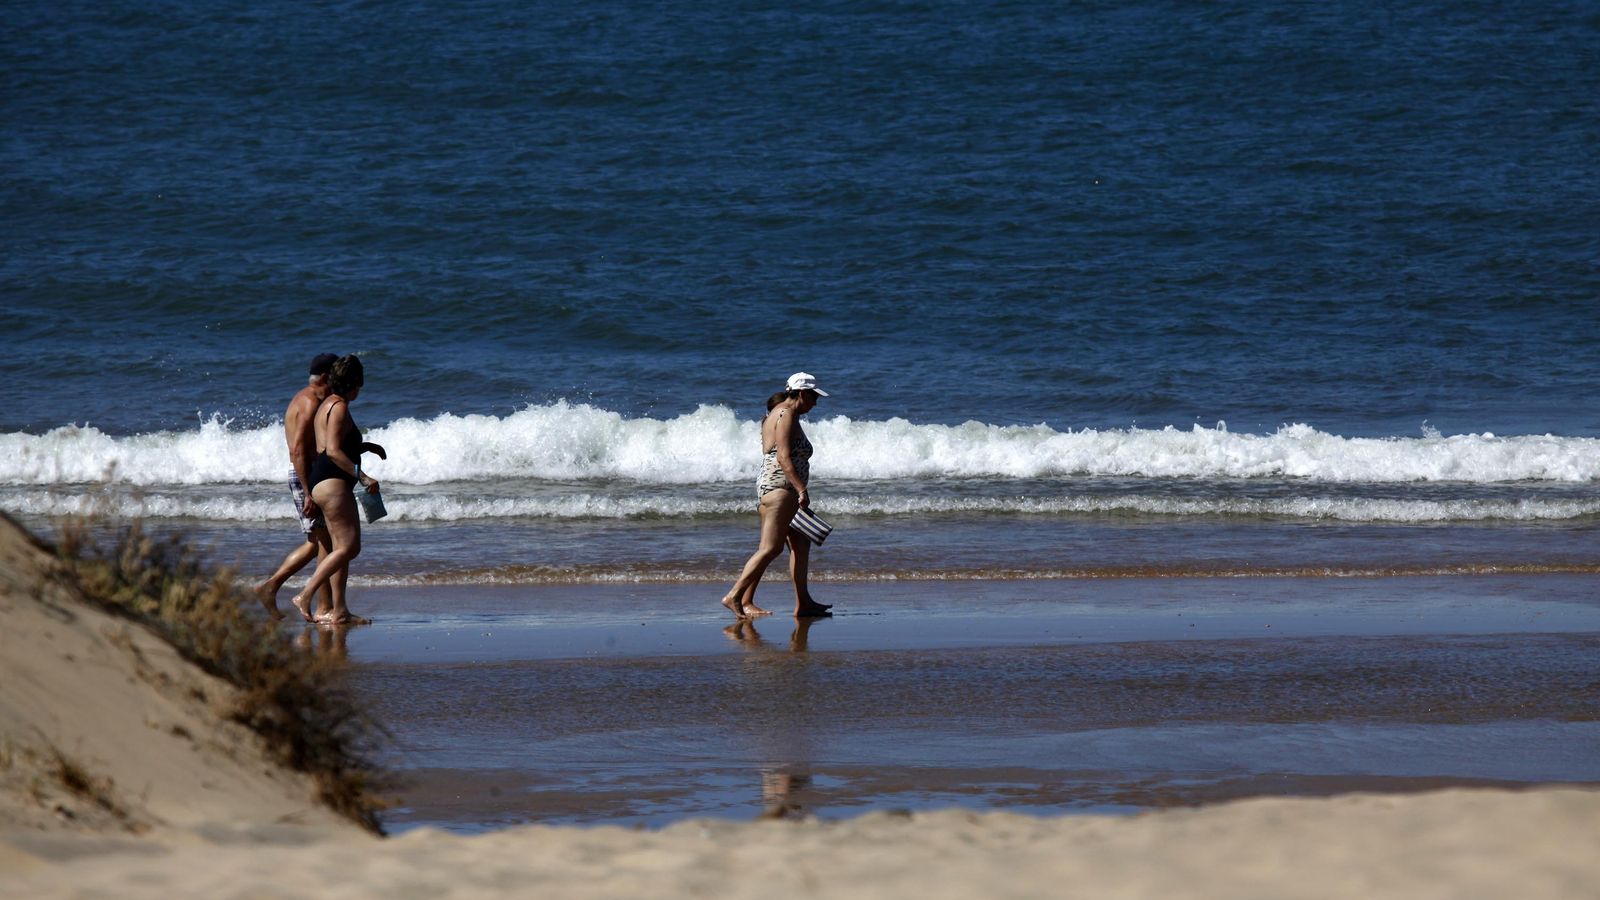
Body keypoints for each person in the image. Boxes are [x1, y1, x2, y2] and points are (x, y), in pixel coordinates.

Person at [721, 372, 834, 620]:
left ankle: (803, 603)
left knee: (801, 543)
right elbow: (783, 457)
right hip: (780, 489)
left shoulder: (780, 413)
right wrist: (801, 489)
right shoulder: (786, 413)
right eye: (814, 396)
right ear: (802, 393)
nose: (816, 402)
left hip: (782, 489)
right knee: (770, 548)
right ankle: (734, 596)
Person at [288, 355, 379, 626]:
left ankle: (339, 611)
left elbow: (329, 445)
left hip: (323, 481)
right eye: (359, 385)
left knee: (341, 547)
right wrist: (361, 476)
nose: (359, 391)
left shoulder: (326, 405)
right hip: (333, 483)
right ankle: (305, 594)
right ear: (353, 383)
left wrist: (365, 448)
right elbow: (333, 451)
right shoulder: (338, 407)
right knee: (350, 546)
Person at [255, 353, 342, 621]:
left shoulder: (312, 398)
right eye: (336, 376)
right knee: (324, 543)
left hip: (309, 475)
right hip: (305, 476)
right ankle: (322, 607)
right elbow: (298, 451)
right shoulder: (308, 401)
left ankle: (272, 588)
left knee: (318, 543)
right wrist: (308, 491)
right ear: (326, 377)